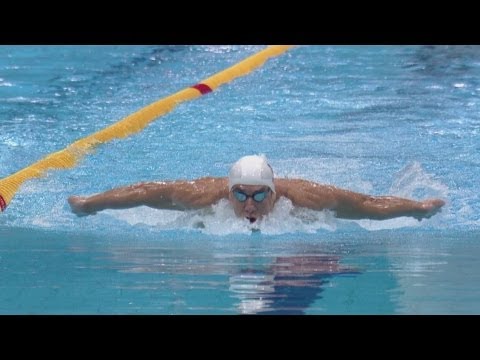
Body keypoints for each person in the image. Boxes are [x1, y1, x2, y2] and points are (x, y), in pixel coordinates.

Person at [68, 154, 445, 223]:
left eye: (260, 195)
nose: (250, 204)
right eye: (241, 195)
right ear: (229, 191)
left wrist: (417, 208)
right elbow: (145, 192)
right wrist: (92, 204)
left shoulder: (304, 198)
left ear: (275, 192)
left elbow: (368, 204)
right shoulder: (204, 196)